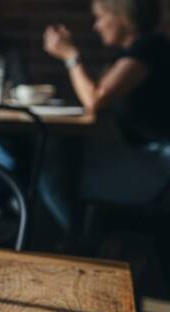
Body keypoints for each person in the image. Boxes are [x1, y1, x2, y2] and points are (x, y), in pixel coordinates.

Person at [42, 0, 170, 250]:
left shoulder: (149, 47)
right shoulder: (131, 53)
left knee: (53, 172)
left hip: (158, 163)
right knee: (58, 160)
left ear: (121, 17)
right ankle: (78, 244)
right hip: (143, 156)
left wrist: (70, 56)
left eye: (100, 17)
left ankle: (76, 247)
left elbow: (95, 98)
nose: (96, 26)